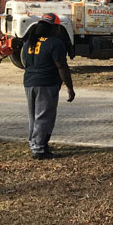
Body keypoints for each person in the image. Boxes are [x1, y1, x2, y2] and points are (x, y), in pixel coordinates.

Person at [22, 12, 75, 160]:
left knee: (34, 116)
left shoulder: (29, 42)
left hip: (29, 82)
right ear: (54, 28)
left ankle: (35, 144)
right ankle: (39, 149)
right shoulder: (55, 43)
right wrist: (69, 87)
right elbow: (61, 66)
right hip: (46, 83)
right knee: (44, 116)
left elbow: (25, 62)